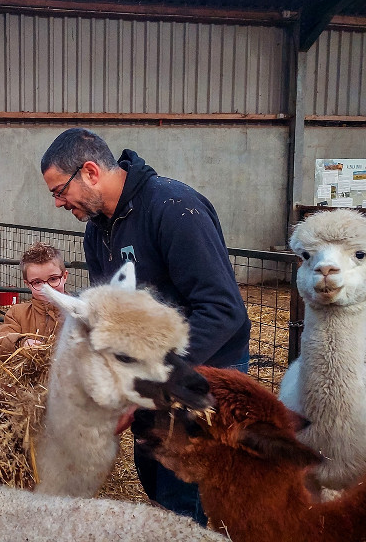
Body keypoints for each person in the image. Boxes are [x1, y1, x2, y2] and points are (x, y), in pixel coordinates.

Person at [40, 127, 250, 526]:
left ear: (90, 171)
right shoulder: (98, 229)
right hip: (150, 382)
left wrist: (152, 381)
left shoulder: (173, 208)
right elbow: (115, 320)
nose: (57, 203)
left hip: (204, 374)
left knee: (184, 505)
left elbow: (223, 310)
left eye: (59, 190)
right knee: (155, 480)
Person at [0, 242, 67, 356]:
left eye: (53, 279)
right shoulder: (17, 313)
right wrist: (21, 344)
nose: (47, 288)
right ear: (27, 284)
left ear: (64, 276)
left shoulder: (78, 314)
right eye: (37, 282)